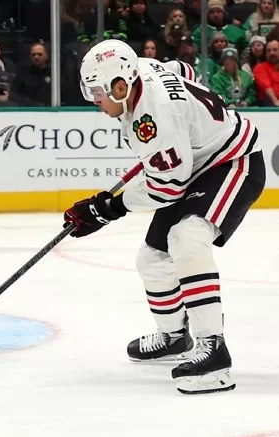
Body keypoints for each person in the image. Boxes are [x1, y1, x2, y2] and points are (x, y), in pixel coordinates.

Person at [64, 40, 265, 395]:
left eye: (97, 92)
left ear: (120, 87)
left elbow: (167, 188)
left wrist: (107, 209)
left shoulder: (154, 118)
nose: (94, 99)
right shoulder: (140, 67)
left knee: (187, 238)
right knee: (153, 259)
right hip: (195, 165)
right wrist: (191, 116)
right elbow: (181, 70)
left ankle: (214, 353)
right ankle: (174, 336)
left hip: (233, 161)